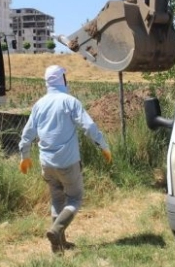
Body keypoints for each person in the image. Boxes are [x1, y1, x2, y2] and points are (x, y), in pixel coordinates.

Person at [18, 65, 112, 254]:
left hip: (47, 164)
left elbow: (27, 133)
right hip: (67, 163)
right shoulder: (70, 102)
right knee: (75, 198)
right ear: (63, 79)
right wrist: (103, 146)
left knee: (56, 199)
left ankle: (59, 245)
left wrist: (24, 156)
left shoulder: (39, 104)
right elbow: (89, 127)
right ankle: (56, 230)